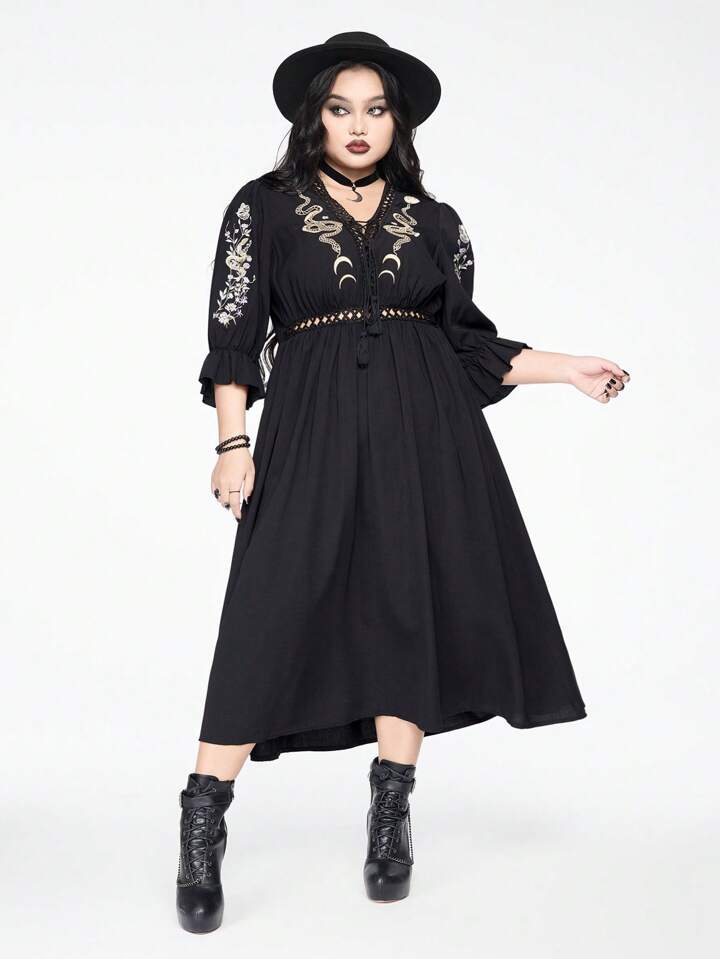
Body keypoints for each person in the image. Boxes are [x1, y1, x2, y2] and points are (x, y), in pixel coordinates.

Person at [175, 31, 630, 932]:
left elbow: (467, 344)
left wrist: (567, 366)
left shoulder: (437, 222)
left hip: (425, 430)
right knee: (269, 610)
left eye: (375, 109)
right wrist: (232, 441)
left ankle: (391, 813)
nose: (358, 125)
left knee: (403, 604)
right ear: (314, 118)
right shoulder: (263, 207)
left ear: (398, 122)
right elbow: (234, 332)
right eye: (340, 108)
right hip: (309, 424)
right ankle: (202, 821)